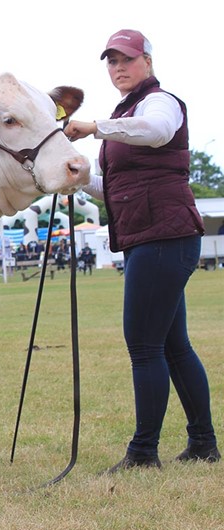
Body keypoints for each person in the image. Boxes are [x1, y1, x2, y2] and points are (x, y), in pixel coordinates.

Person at [65, 29, 219, 472]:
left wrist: (95, 128)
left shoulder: (159, 103)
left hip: (162, 238)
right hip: (150, 238)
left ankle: (143, 452)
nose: (118, 68)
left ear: (147, 62)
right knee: (173, 347)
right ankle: (203, 443)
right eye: (111, 62)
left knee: (145, 347)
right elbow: (116, 187)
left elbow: (156, 132)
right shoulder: (125, 114)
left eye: (127, 60)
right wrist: (79, 178)